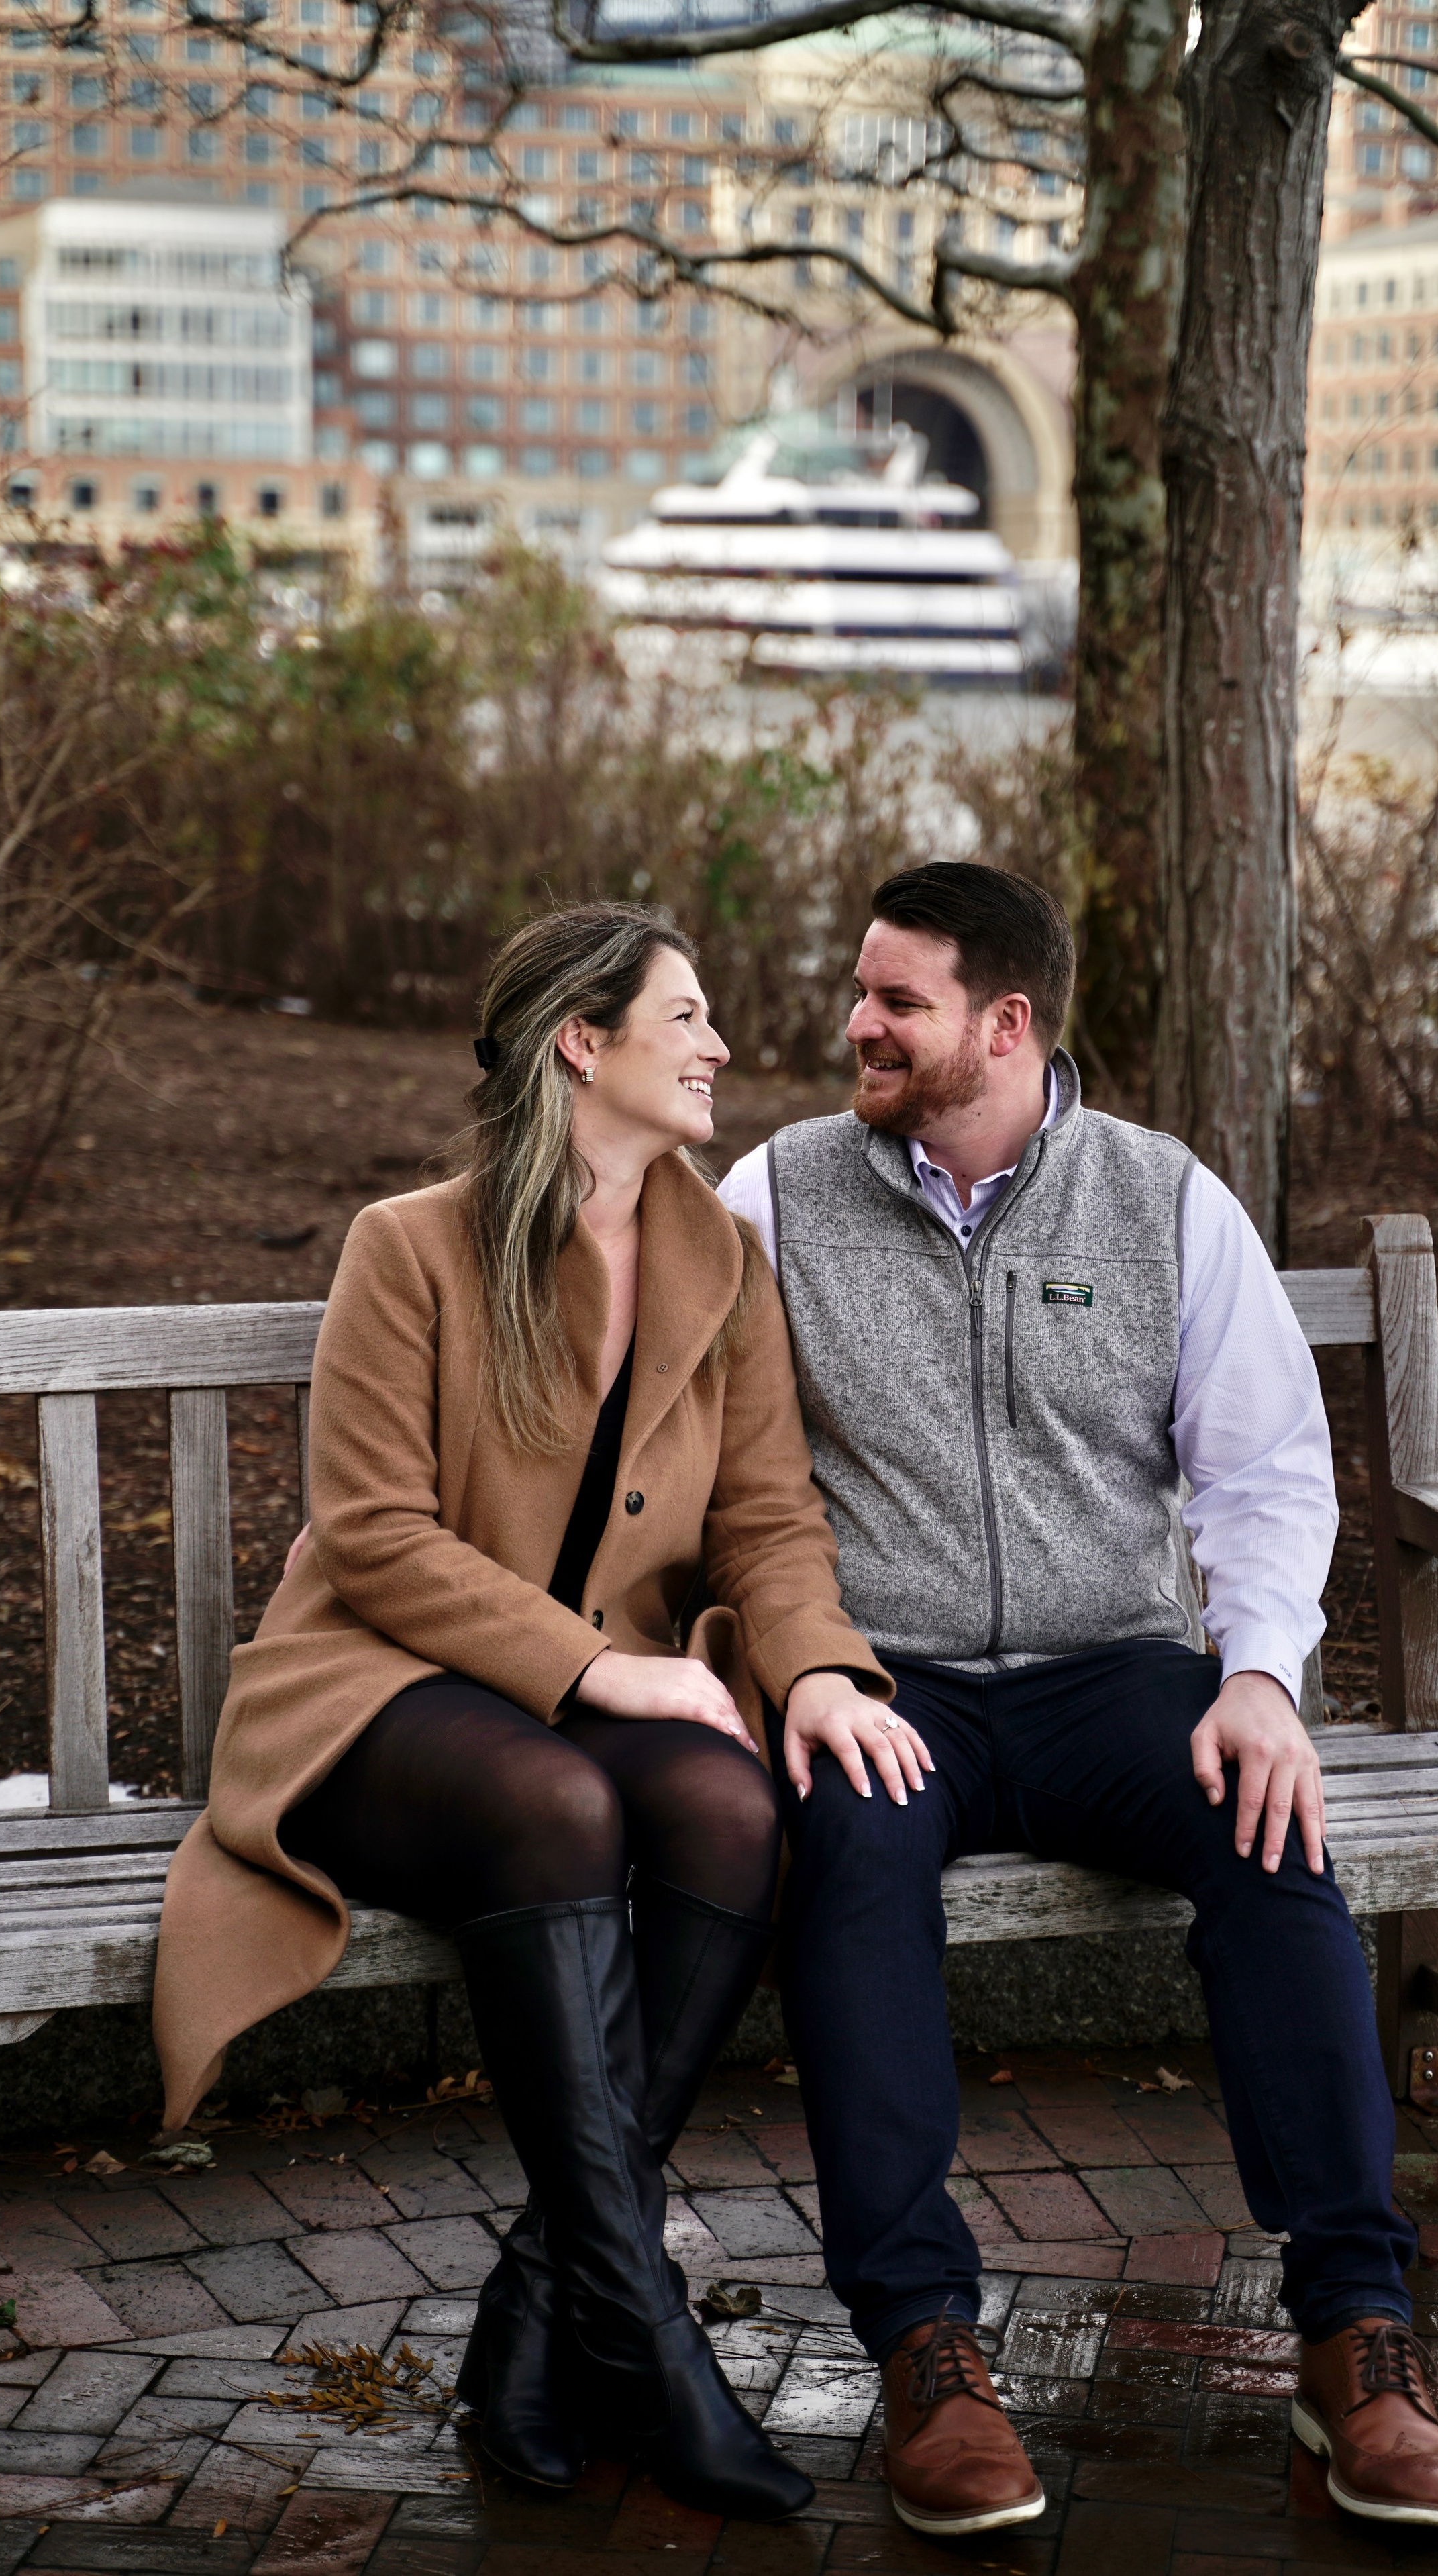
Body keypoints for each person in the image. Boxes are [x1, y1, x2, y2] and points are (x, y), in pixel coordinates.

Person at [718, 862, 1438, 2538]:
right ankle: (923, 2339)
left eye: (894, 1000)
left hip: (1113, 1671)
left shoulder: (1161, 1201)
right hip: (884, 1680)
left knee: (1268, 1828)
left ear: (1004, 1022)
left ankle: (1353, 2329)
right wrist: (796, 1666)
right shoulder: (776, 1195)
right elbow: (712, 1465)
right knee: (848, 1860)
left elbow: (1266, 1472)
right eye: (858, 989)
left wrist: (1259, 1678)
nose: (855, 1022)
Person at [150, 903, 907, 2521]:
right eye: (685, 1016)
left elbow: (769, 1521)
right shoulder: (407, 1243)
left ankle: (538, 2310)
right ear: (584, 1038)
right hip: (380, 1693)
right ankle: (645, 2333)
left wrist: (823, 1664)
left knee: (724, 1803)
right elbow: (370, 1534)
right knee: (563, 1801)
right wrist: (600, 1669)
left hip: (576, 1697)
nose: (718, 1046)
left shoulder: (722, 1257)